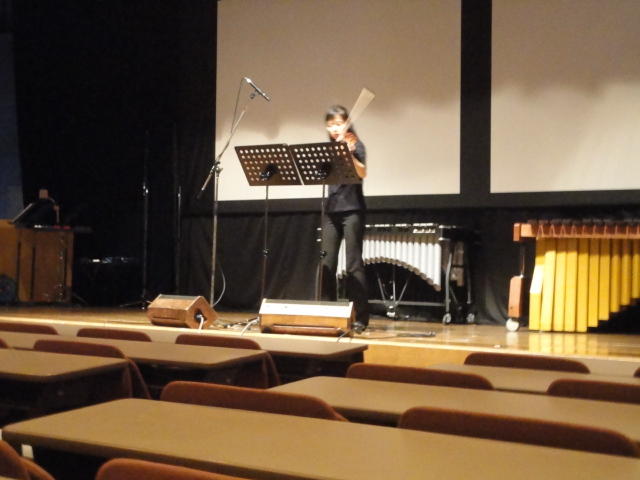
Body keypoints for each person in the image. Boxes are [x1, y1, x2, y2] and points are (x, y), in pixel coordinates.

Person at [320, 105, 369, 332]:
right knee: (327, 263)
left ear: (347, 123)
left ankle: (359, 317)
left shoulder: (356, 145)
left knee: (353, 264)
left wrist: (349, 153)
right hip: (331, 211)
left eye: (338, 124)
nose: (334, 129)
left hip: (352, 210)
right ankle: (328, 314)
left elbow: (362, 173)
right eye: (330, 125)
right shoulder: (328, 150)